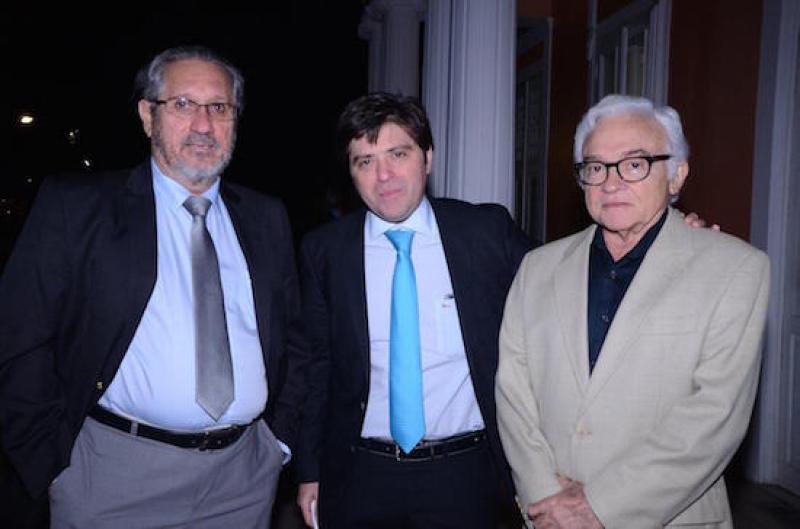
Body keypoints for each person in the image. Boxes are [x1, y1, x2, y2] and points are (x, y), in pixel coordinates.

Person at [0, 45, 308, 528]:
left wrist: (278, 443)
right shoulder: (78, 207)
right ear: (148, 116)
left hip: (243, 481)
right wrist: (49, 459)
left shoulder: (266, 217)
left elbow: (296, 339)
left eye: (219, 107)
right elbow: (20, 337)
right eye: (183, 104)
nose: (204, 125)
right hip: (111, 479)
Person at [496, 94, 770, 528]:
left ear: (676, 175)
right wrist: (543, 495)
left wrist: (598, 506)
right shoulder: (537, 269)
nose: (610, 183)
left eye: (635, 164)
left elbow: (714, 417)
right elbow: (513, 393)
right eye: (596, 167)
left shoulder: (734, 269)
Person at [294, 92, 532, 529]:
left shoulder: (483, 232)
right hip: (361, 474)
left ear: (428, 158)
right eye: (365, 161)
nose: (383, 175)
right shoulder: (326, 251)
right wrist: (309, 470)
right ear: (350, 173)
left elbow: (558, 291)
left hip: (466, 474)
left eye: (398, 154)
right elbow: (315, 367)